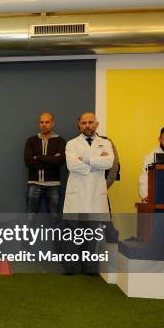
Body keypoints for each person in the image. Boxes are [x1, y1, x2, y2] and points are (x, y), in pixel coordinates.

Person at [62, 112, 114, 274]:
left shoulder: (105, 143)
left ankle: (89, 268)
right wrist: (96, 163)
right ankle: (70, 267)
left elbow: (109, 162)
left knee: (92, 233)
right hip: (77, 194)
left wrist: (84, 160)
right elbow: (71, 165)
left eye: (91, 122)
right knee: (72, 233)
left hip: (95, 194)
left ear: (96, 124)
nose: (88, 126)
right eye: (84, 123)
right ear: (79, 125)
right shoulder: (71, 144)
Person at [23, 112, 66, 216]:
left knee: (54, 217)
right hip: (34, 184)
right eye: (41, 122)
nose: (44, 124)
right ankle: (29, 233)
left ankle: (55, 233)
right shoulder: (31, 140)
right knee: (30, 217)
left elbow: (59, 161)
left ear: (53, 123)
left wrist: (38, 157)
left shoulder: (60, 141)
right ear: (39, 124)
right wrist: (51, 159)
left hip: (53, 185)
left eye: (47, 122)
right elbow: (29, 162)